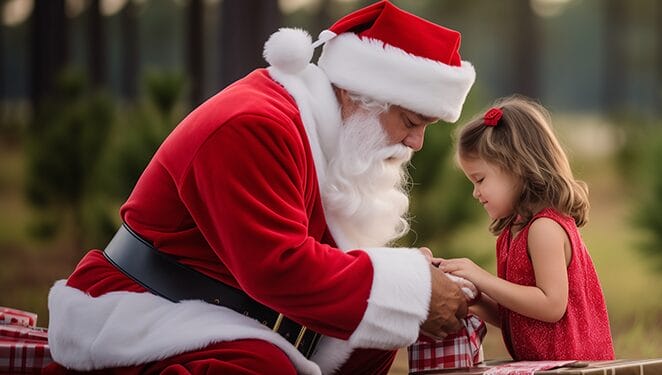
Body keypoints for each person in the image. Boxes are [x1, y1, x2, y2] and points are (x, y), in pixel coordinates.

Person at [44, 1, 476, 374]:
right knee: (257, 368)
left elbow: (320, 251)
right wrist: (408, 287)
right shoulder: (255, 125)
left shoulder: (316, 128)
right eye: (411, 122)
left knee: (374, 336)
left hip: (226, 307)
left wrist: (415, 279)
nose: (416, 143)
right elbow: (278, 266)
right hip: (144, 308)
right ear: (362, 95)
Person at [437, 96, 615, 361]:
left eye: (480, 179)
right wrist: (469, 299)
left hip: (574, 367)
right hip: (544, 367)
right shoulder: (512, 233)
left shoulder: (544, 228)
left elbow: (551, 305)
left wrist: (481, 277)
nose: (476, 193)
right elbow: (518, 314)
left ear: (517, 167)